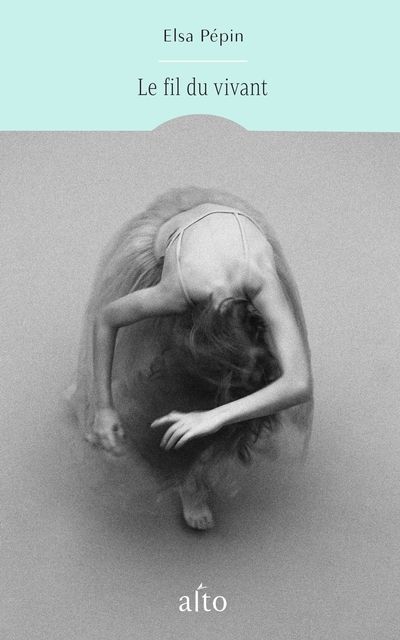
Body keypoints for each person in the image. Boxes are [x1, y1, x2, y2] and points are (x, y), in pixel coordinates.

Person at [68, 187, 313, 530]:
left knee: (252, 384)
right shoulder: (178, 291)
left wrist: (215, 416)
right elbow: (106, 319)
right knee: (144, 357)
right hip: (177, 244)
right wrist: (105, 407)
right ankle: (188, 477)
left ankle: (197, 457)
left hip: (232, 236)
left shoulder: (260, 281)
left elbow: (298, 383)